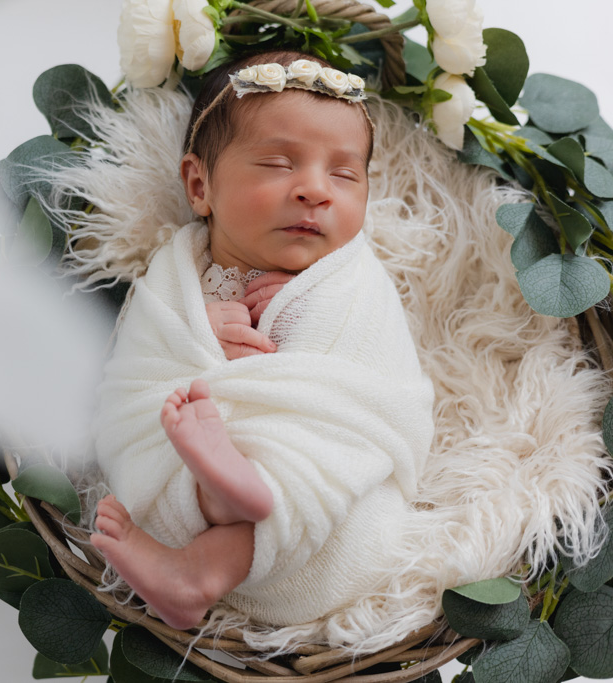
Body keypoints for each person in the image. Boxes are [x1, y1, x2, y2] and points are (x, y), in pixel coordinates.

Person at [90, 50, 435, 634]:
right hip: (192, 466)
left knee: (306, 467)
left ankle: (230, 516)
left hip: (327, 484)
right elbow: (143, 354)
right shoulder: (177, 275)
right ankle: (220, 503)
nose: (315, 191)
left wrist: (293, 315)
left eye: (345, 174)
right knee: (188, 439)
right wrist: (201, 329)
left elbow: (368, 385)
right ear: (200, 185)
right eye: (278, 164)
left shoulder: (349, 282)